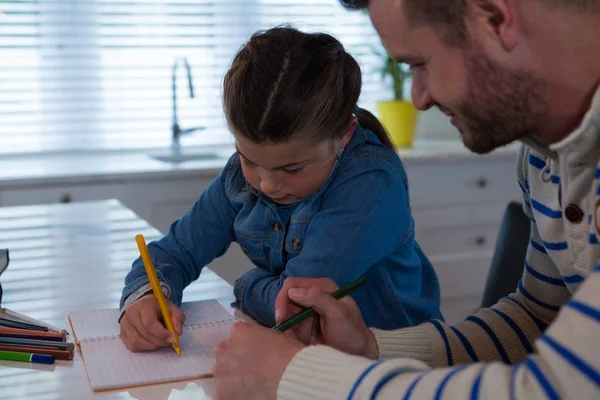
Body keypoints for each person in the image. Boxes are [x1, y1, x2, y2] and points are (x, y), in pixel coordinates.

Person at [212, 0, 600, 399]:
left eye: (419, 64)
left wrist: (299, 377)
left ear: (495, 18)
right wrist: (372, 348)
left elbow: (554, 388)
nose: (418, 98)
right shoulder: (543, 160)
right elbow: (538, 320)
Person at [118, 26, 443, 352]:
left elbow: (295, 305)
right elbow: (174, 252)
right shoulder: (239, 175)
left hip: (397, 365)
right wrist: (145, 296)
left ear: (344, 133)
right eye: (249, 159)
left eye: (292, 169)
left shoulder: (371, 185)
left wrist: (246, 285)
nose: (267, 184)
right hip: (311, 356)